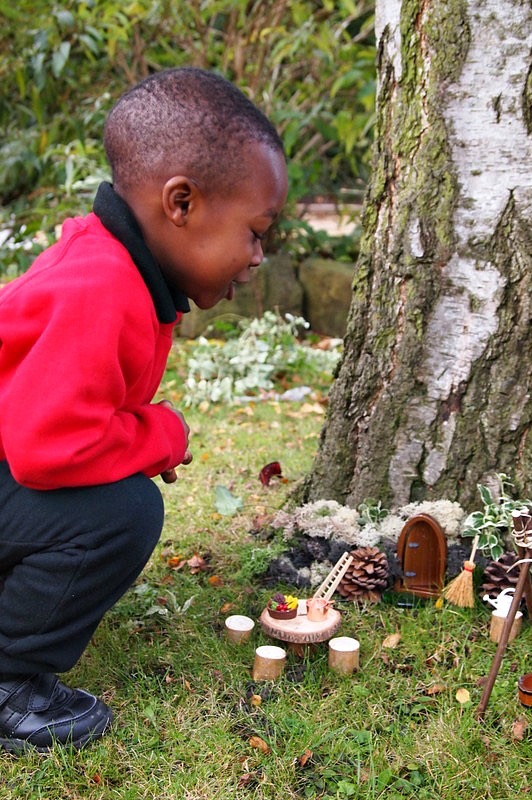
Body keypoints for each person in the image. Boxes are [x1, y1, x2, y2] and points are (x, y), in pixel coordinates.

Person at [0, 67, 288, 753]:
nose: (257, 257)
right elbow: (48, 449)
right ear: (181, 202)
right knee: (120, 514)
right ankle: (8, 682)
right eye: (255, 231)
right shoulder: (103, 286)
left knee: (107, 499)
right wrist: (161, 433)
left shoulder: (112, 265)